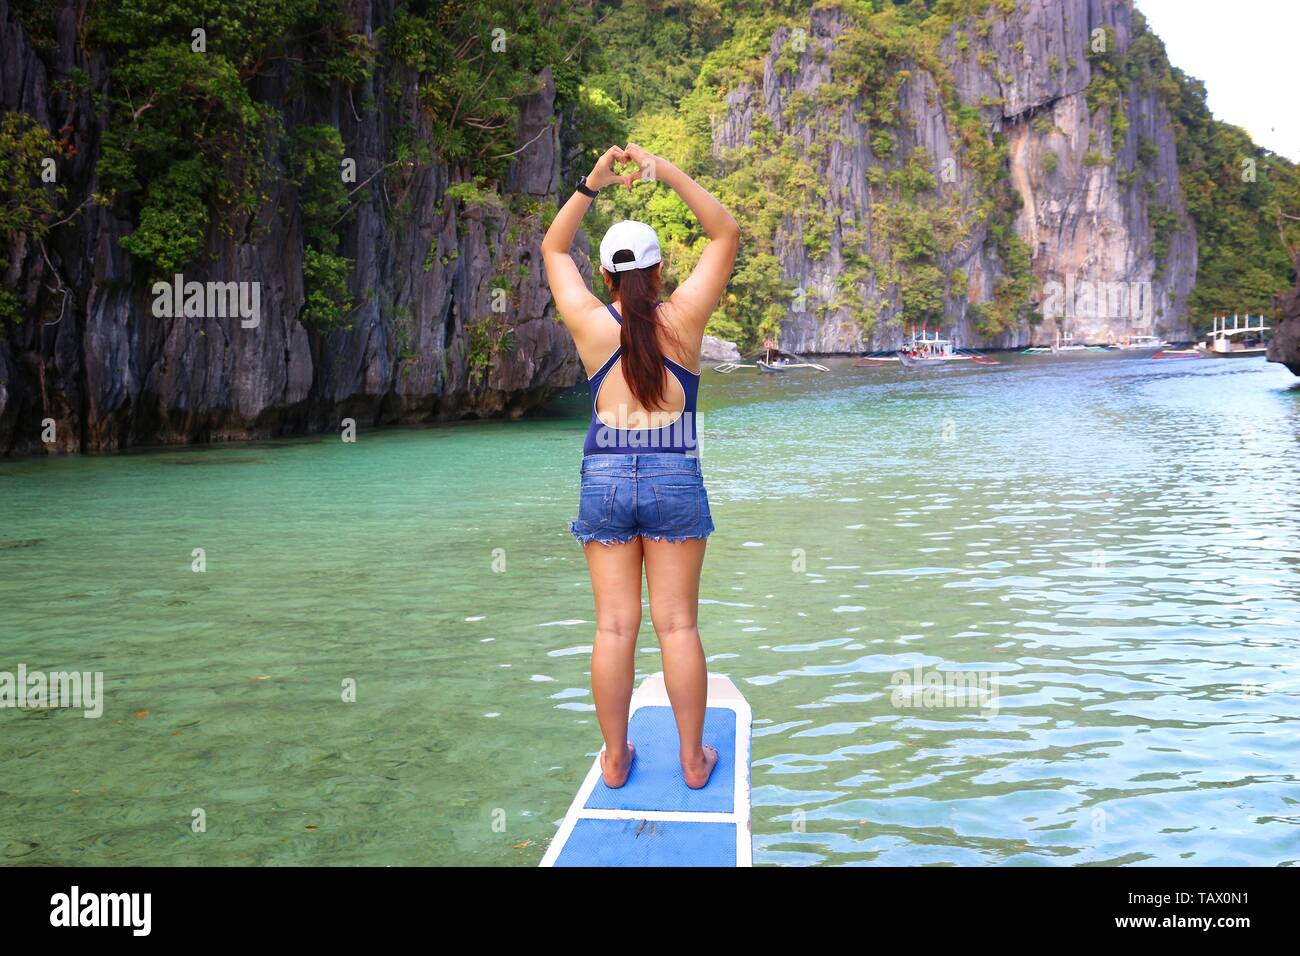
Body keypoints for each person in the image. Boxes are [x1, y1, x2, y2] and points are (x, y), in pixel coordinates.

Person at [541, 144, 739, 789]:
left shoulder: (590, 324)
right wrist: (665, 171)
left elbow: (551, 249)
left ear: (604, 276)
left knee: (614, 627)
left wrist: (590, 185)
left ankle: (617, 759)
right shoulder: (683, 321)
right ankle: (691, 761)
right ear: (657, 275)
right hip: (673, 473)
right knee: (677, 624)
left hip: (603, 477)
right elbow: (724, 230)